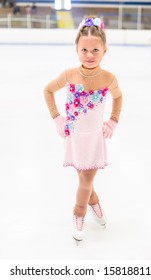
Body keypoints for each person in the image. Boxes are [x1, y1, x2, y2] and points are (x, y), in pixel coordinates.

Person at [44, 16, 122, 244]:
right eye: (84, 49)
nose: (89, 55)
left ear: (104, 51)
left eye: (95, 50)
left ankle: (78, 213)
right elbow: (47, 90)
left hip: (95, 139)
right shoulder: (69, 74)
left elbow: (118, 96)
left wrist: (114, 120)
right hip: (74, 136)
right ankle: (94, 202)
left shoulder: (108, 78)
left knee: (85, 181)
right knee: (84, 181)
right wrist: (57, 118)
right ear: (77, 50)